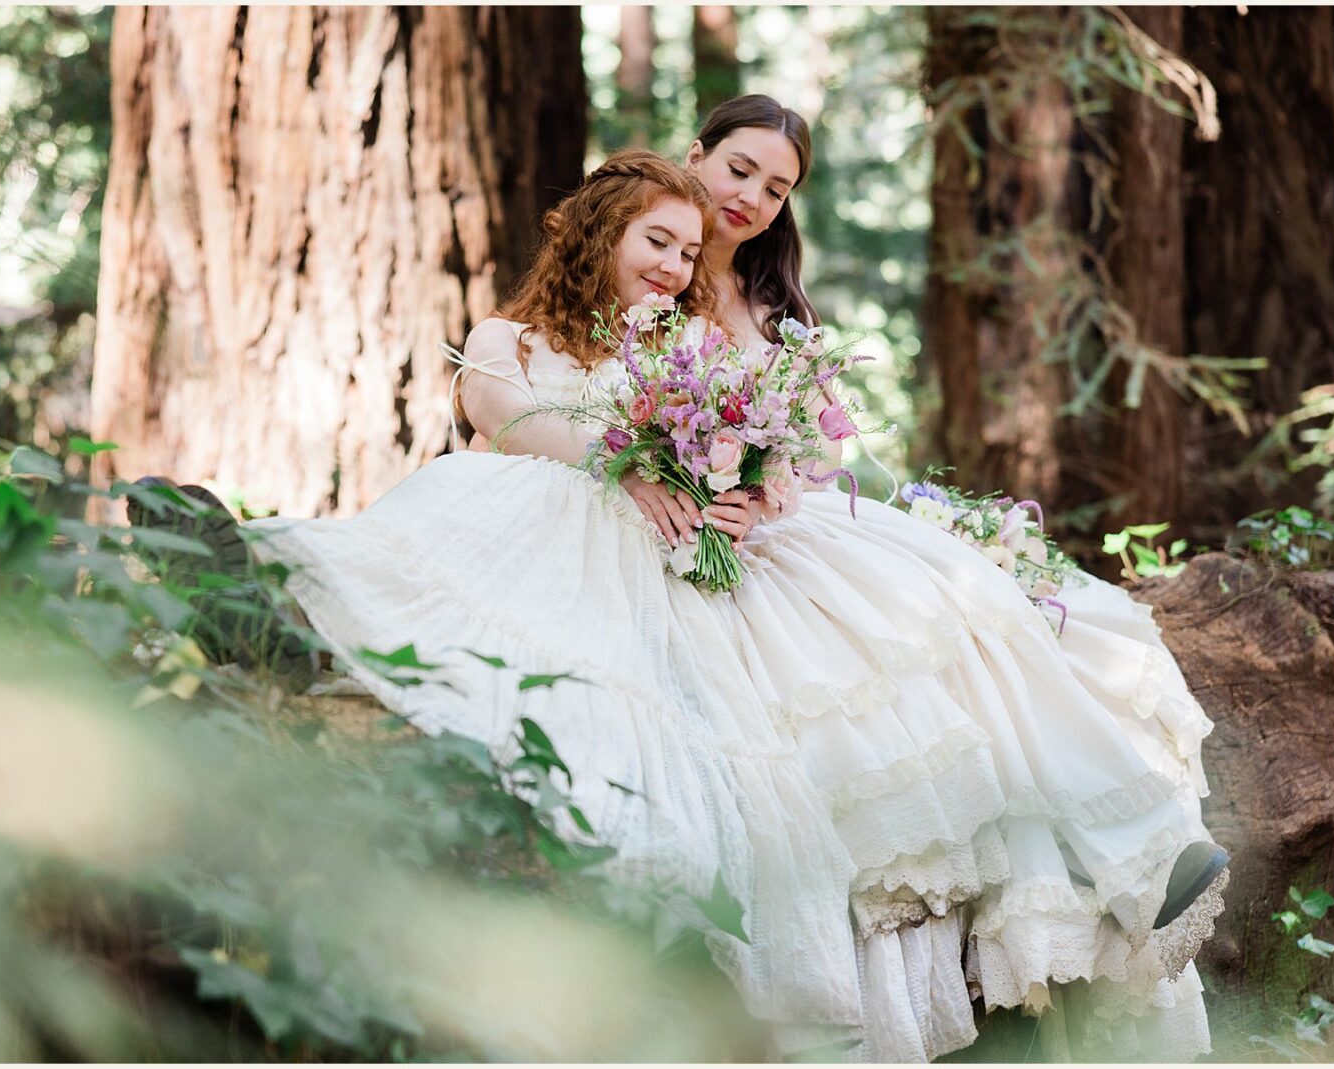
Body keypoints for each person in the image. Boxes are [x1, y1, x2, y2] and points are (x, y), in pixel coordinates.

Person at [133, 148, 1224, 1061]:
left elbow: (767, 447)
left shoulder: (688, 348)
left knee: (918, 616)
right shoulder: (509, 337)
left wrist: (744, 491)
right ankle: (249, 590)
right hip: (554, 527)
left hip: (687, 555)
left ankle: (1121, 841)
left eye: (688, 251)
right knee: (425, 553)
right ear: (596, 231)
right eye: (655, 241)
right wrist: (630, 457)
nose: (673, 265)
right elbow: (509, 420)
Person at [680, 94, 1228, 1060]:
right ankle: (1117, 857)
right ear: (697, 155)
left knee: (980, 606)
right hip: (710, 544)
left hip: (784, 523)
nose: (754, 198)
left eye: (777, 187)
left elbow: (821, 448)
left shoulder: (771, 305)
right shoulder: (648, 269)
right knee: (918, 634)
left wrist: (770, 486)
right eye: (739, 170)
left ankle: (1136, 850)